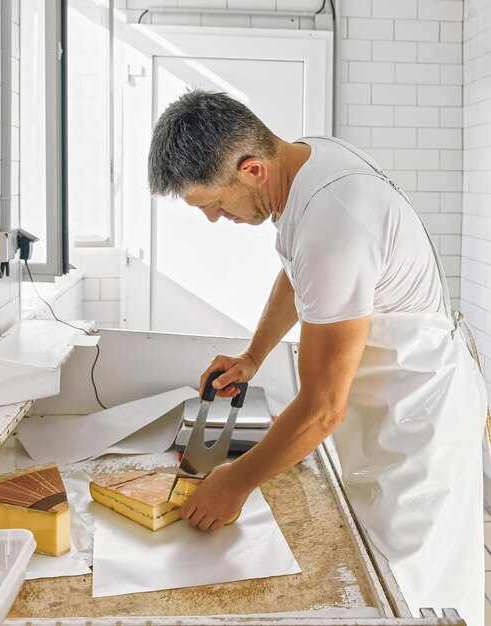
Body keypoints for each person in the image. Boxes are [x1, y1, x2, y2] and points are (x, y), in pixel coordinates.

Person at [147, 89, 487, 625]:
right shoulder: (305, 161)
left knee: (412, 581)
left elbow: (323, 408)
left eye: (213, 203)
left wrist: (233, 484)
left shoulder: (336, 220)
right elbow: (297, 270)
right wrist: (252, 357)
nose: (214, 219)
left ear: (252, 169)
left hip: (421, 421)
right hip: (389, 400)